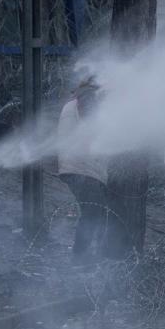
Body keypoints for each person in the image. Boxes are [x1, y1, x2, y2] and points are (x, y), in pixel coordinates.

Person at [56, 75, 108, 261]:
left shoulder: (82, 97)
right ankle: (81, 258)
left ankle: (88, 256)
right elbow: (93, 124)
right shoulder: (88, 96)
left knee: (96, 212)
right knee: (93, 213)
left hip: (81, 166)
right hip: (82, 167)